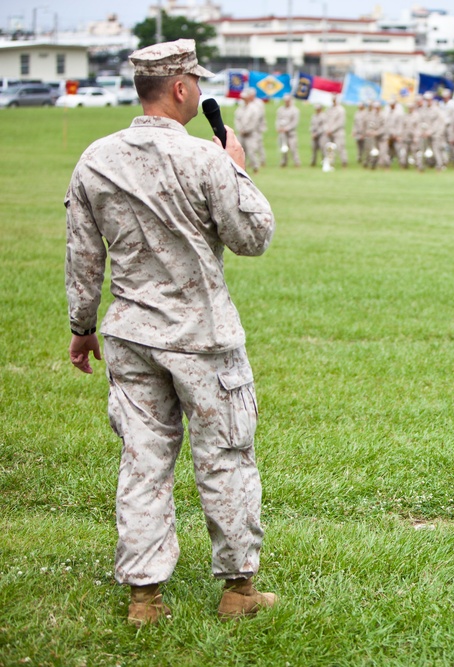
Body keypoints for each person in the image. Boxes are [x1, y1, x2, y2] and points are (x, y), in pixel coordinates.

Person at [64, 39, 277, 628]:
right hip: (203, 338)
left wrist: (82, 327)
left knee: (143, 461)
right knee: (226, 459)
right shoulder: (205, 159)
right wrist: (234, 165)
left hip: (131, 336)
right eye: (197, 84)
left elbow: (83, 256)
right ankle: (239, 590)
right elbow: (253, 236)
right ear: (182, 89)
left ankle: (145, 599)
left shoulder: (96, 159)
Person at [276, 95, 301, 168]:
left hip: (291, 133)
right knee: (283, 148)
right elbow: (278, 120)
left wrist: (287, 128)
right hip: (282, 133)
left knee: (293, 148)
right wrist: (278, 128)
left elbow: (295, 122)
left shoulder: (295, 110)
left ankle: (297, 162)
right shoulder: (280, 109)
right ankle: (284, 162)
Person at [308, 102, 327, 167]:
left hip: (322, 135)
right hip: (314, 135)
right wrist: (312, 133)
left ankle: (325, 162)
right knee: (313, 149)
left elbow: (324, 126)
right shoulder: (314, 116)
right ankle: (313, 162)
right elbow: (312, 125)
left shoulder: (324, 116)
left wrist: (317, 133)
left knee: (323, 149)